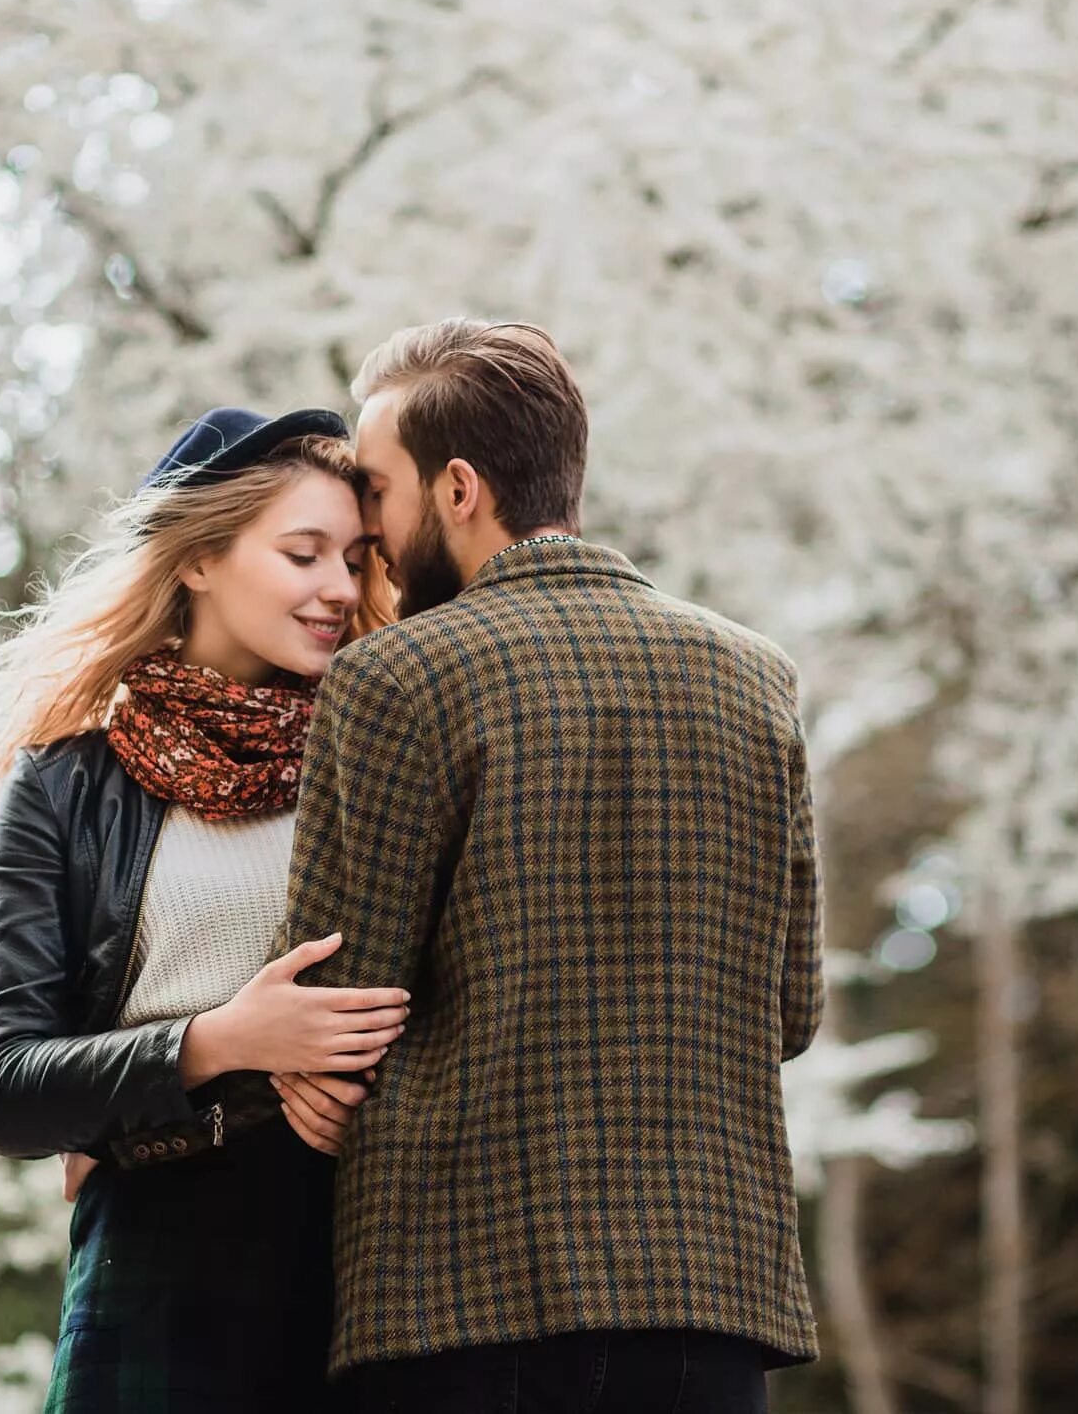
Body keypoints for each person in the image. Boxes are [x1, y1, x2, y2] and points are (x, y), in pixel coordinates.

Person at [285, 319, 827, 1413]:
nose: (369, 536)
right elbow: (792, 1011)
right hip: (708, 1303)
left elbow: (335, 1004)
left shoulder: (398, 679)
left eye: (379, 492)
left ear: (460, 489)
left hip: (459, 1305)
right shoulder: (756, 676)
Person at [0, 406, 410, 1412]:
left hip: (371, 1267)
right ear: (197, 561)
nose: (339, 586)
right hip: (156, 1275)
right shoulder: (66, 784)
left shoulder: (383, 755)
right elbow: (3, 1081)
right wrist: (223, 1041)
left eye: (356, 558)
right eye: (303, 553)